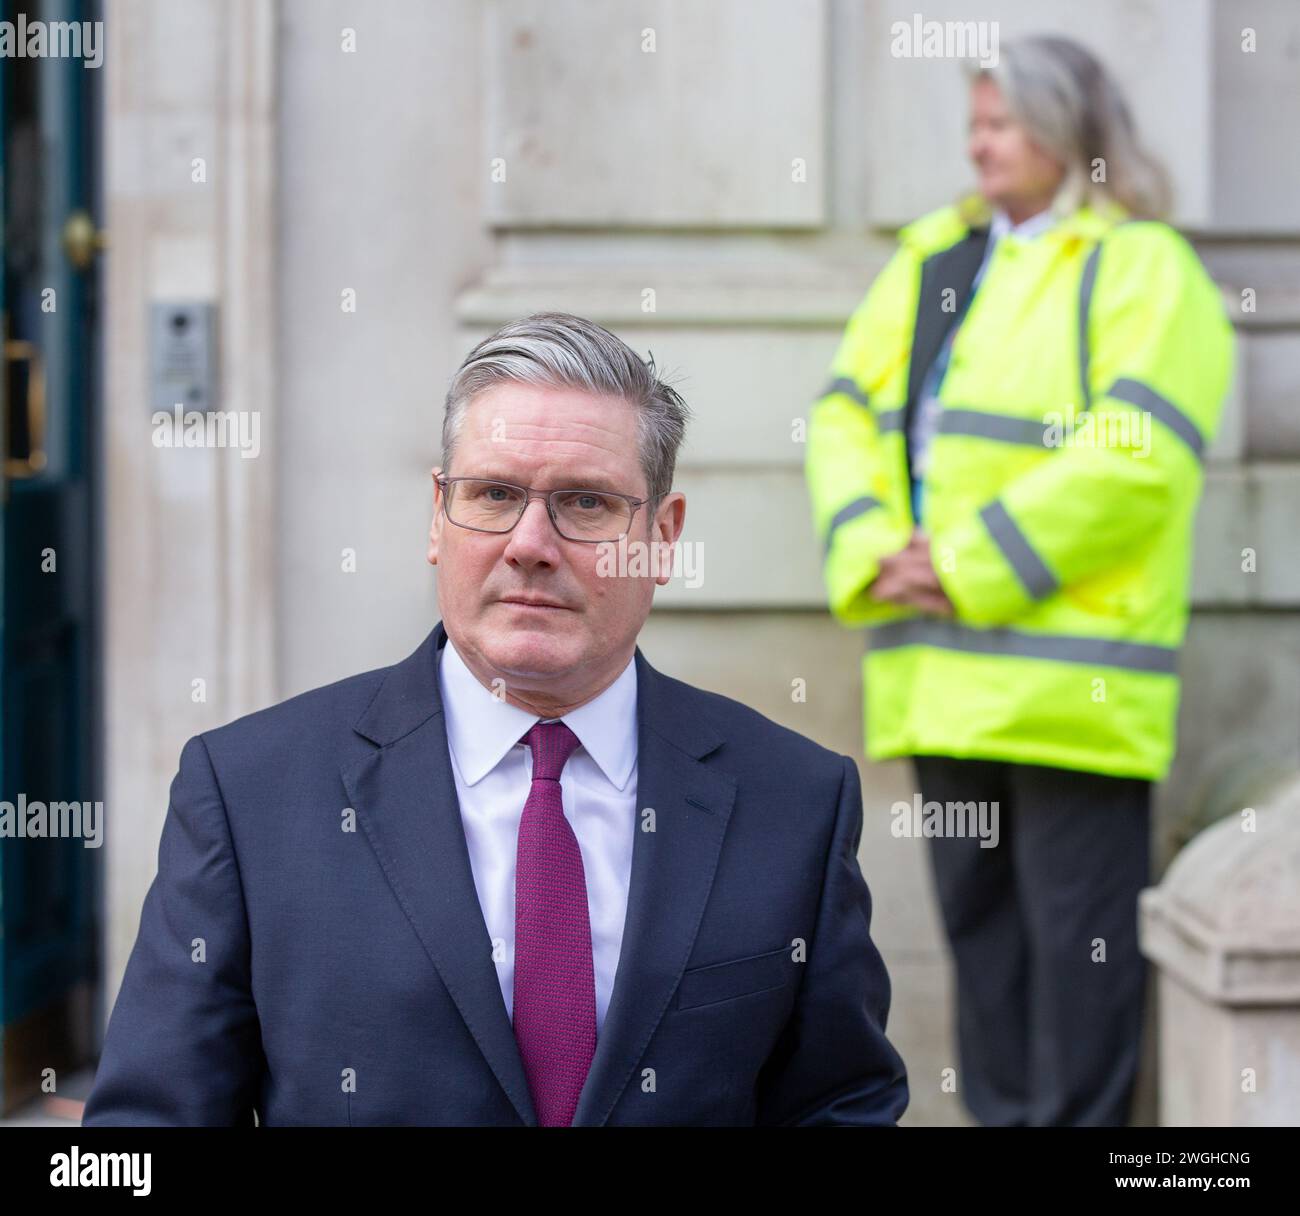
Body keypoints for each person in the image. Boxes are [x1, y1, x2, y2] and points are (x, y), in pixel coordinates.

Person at [83, 311, 908, 1127]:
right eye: (495, 494)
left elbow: (841, 1105)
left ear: (662, 537)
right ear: (437, 517)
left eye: (585, 503)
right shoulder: (251, 793)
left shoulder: (794, 800)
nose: (530, 543)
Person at [804, 36, 1233, 1126]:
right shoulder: (932, 261)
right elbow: (846, 413)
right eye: (976, 121)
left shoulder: (1142, 268)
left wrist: (961, 561)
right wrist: (872, 551)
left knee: (1078, 968)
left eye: (1000, 121)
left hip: (1072, 698)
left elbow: (1138, 456)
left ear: (1068, 133)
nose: (977, 142)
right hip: (939, 681)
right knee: (982, 952)